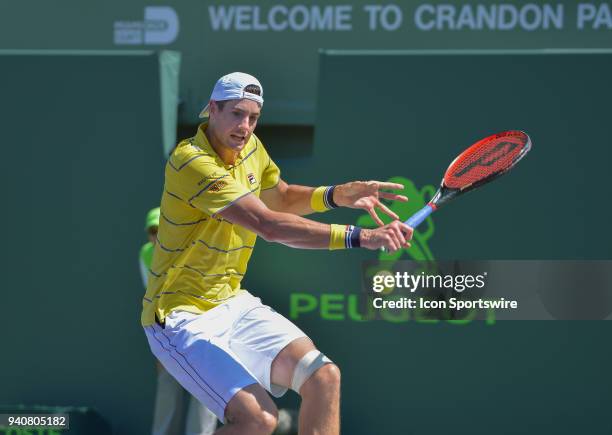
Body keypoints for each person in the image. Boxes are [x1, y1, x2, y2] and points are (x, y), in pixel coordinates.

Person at [141, 72, 413, 435]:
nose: (245, 126)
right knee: (257, 421)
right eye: (237, 114)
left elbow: (281, 197)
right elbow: (268, 224)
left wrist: (337, 194)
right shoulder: (190, 161)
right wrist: (361, 236)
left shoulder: (252, 149)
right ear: (212, 110)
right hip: (179, 317)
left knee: (323, 377)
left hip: (231, 302)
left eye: (253, 117)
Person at [140, 207, 218, 435]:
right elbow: (152, 299)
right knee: (167, 383)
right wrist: (160, 342)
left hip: (206, 324)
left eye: (162, 230)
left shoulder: (197, 252)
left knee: (206, 385)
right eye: (153, 231)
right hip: (168, 327)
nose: (157, 237)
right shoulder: (146, 254)